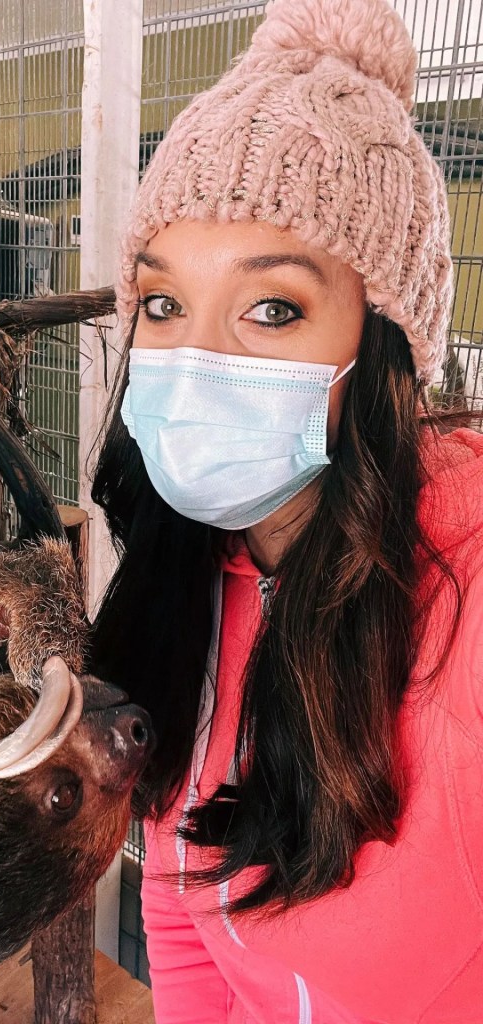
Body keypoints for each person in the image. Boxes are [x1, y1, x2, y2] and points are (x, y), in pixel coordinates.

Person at [88, 0, 483, 1020]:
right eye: (164, 304)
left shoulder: (465, 589)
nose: (193, 357)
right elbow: (180, 903)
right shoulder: (190, 573)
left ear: (384, 349)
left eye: (273, 308)